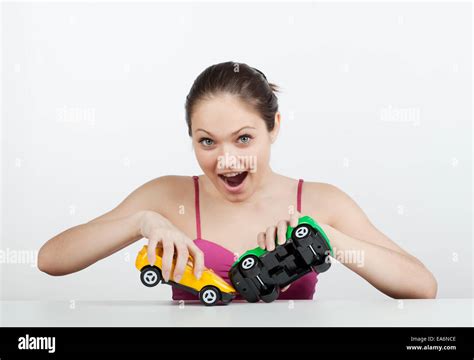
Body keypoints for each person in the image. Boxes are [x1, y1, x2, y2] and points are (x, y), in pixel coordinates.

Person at [38, 61, 437, 300]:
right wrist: (140, 222)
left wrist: (327, 238)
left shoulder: (320, 200)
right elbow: (50, 259)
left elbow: (422, 286)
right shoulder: (166, 195)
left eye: (244, 138)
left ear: (274, 128)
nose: (227, 161)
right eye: (207, 141)